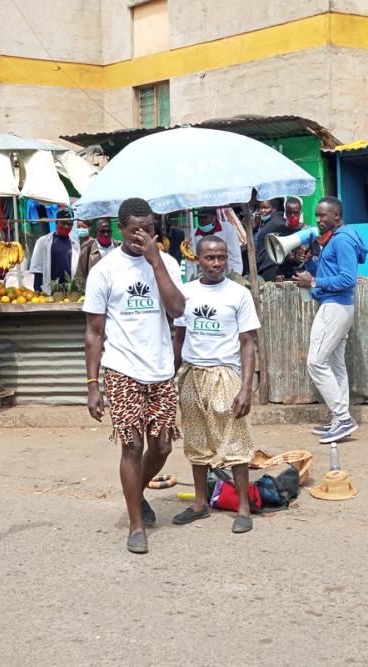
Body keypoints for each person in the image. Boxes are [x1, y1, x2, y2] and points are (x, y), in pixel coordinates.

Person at [83, 197, 185, 555]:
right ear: (121, 229)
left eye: (149, 228)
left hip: (159, 370)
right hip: (122, 369)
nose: (143, 235)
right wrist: (93, 385)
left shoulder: (167, 262)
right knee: (132, 445)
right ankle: (135, 524)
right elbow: (94, 333)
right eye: (136, 229)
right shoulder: (105, 270)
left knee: (162, 447)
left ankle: (136, 494)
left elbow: (177, 310)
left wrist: (155, 261)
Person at [172, 235, 261, 533]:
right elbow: (179, 338)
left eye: (221, 257)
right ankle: (200, 504)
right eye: (210, 257)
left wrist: (246, 387)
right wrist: (171, 378)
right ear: (198, 259)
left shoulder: (238, 294)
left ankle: (243, 508)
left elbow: (248, 343)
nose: (217, 263)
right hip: (192, 375)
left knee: (236, 442)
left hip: (226, 375)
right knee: (196, 442)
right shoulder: (185, 293)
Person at [293, 196, 368, 444]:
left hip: (335, 307)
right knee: (336, 365)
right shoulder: (334, 240)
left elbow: (348, 279)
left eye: (323, 215)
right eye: (317, 215)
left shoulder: (342, 240)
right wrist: (312, 263)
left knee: (316, 363)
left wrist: (313, 282)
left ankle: (343, 417)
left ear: (336, 215)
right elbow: (331, 273)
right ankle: (340, 420)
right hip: (338, 307)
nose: (318, 219)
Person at [29, 211, 80, 294]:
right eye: (63, 223)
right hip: (48, 291)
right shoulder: (43, 241)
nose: (66, 226)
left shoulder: (75, 245)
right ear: (56, 222)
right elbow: (37, 269)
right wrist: (38, 290)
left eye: (70, 224)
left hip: (68, 293)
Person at [191, 208, 242, 275]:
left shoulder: (228, 229)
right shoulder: (193, 234)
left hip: (225, 277)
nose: (201, 220)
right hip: (204, 277)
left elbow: (234, 257)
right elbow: (191, 261)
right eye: (199, 217)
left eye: (205, 217)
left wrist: (234, 277)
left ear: (214, 216)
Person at [280, 197, 320, 280]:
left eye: (295, 213)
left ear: (301, 212)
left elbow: (317, 256)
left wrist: (306, 257)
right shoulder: (279, 231)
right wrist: (284, 257)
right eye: (289, 212)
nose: (292, 216)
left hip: (303, 277)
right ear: (285, 212)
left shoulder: (308, 231)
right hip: (284, 276)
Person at [75, 218, 119, 290]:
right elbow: (80, 275)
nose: (106, 234)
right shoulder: (88, 249)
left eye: (108, 231)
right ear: (96, 232)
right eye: (103, 231)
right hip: (97, 292)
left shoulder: (118, 247)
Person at [255, 198, 288, 281]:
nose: (262, 210)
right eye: (261, 207)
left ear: (274, 209)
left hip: (270, 267)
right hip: (265, 265)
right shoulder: (268, 222)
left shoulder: (277, 223)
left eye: (266, 208)